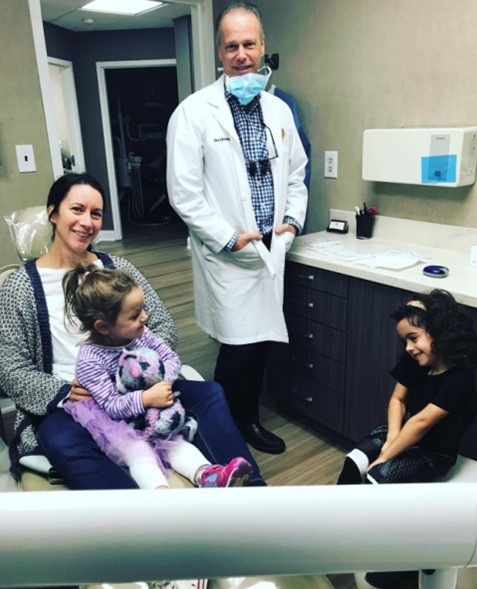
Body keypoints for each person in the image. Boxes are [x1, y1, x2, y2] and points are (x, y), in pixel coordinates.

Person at [0, 172, 265, 488]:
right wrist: (62, 391)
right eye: (77, 209)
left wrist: (140, 372)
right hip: (73, 400)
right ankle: (138, 519)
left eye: (96, 214)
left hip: (137, 383)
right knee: (62, 441)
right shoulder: (21, 286)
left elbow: (162, 325)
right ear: (54, 213)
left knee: (210, 394)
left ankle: (249, 491)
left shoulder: (117, 269)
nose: (87, 222)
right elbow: (10, 368)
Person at [166, 2, 308, 454]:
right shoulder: (193, 113)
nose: (242, 54)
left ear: (263, 46)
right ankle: (223, 429)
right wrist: (228, 237)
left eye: (249, 44)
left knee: (263, 340)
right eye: (232, 46)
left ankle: (246, 419)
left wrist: (290, 223)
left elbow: (295, 175)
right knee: (238, 346)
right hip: (228, 252)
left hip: (271, 246)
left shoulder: (279, 111)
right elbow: (184, 193)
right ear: (220, 52)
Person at [62, 262, 253, 489]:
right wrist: (145, 398)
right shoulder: (90, 359)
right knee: (137, 451)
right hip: (116, 421)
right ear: (103, 327)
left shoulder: (142, 334)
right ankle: (160, 493)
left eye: (142, 310)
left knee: (174, 442)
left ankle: (209, 476)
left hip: (152, 409)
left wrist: (161, 382)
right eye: (134, 315)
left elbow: (172, 359)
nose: (144, 317)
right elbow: (112, 406)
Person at [336, 289, 477, 589]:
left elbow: (423, 421)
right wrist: (391, 441)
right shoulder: (415, 362)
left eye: (414, 337)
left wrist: (386, 457)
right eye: (405, 341)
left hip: (433, 452)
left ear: (438, 331)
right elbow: (398, 401)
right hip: (404, 435)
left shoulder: (462, 377)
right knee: (354, 463)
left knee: (377, 478)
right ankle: (342, 534)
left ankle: (396, 560)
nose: (410, 347)